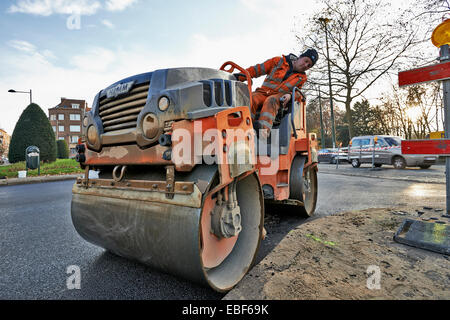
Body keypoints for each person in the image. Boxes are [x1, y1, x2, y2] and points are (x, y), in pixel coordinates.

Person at [235, 49, 318, 139]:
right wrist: (238, 76)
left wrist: (290, 95)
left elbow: (299, 93)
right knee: (252, 98)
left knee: (271, 100)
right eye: (306, 61)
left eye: (309, 65)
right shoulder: (278, 61)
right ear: (300, 57)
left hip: (279, 97)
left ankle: (263, 132)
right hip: (263, 92)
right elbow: (257, 69)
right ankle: (245, 128)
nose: (306, 65)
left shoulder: (301, 78)